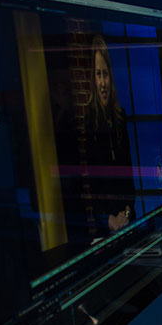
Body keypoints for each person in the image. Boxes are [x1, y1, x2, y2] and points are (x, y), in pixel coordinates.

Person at [58, 34, 136, 244]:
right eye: (98, 74)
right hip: (104, 226)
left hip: (127, 218)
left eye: (106, 75)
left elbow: (129, 174)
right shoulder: (89, 122)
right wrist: (108, 219)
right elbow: (90, 185)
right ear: (93, 78)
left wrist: (126, 213)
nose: (103, 83)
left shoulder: (120, 117)